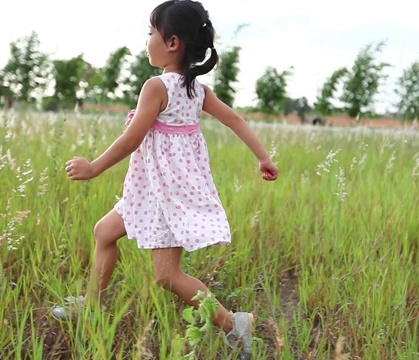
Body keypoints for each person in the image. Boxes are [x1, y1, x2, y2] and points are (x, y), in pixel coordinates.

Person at [51, 0, 279, 357]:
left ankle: (233, 324)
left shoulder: (157, 86)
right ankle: (92, 308)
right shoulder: (196, 90)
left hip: (165, 194)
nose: (147, 40)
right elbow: (235, 119)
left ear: (172, 43)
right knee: (104, 232)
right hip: (151, 189)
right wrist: (263, 156)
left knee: (167, 276)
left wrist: (93, 167)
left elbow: (132, 139)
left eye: (150, 32)